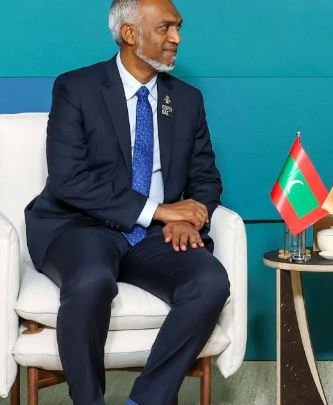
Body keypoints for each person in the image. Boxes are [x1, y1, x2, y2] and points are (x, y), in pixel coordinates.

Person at [24, 0, 229, 404]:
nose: (177, 38)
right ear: (130, 34)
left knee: (210, 282)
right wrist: (159, 210)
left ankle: (145, 399)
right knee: (91, 281)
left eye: (178, 27)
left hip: (153, 234)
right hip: (80, 225)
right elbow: (68, 180)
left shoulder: (186, 100)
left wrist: (187, 219)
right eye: (165, 28)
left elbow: (206, 179)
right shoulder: (77, 87)